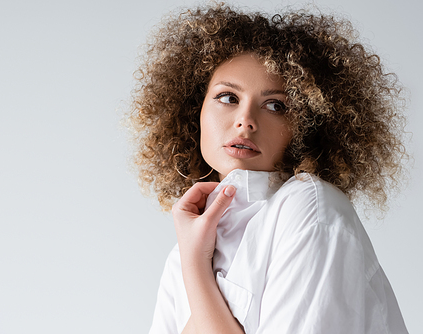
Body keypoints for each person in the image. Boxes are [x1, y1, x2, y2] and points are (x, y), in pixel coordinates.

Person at [127, 3, 408, 333]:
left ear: (305, 127)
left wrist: (196, 267)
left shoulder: (309, 208)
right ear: (195, 111)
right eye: (228, 98)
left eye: (275, 106)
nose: (245, 121)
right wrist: (191, 258)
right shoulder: (181, 256)